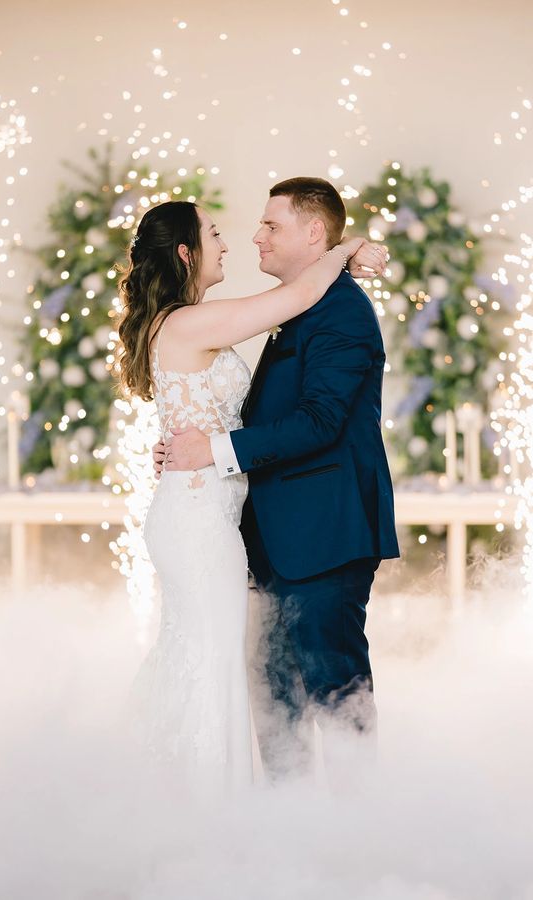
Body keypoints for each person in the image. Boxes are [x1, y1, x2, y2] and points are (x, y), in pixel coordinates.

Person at [117, 196, 384, 791]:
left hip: (225, 517)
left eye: (269, 224)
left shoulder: (198, 320)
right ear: (187, 254)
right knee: (215, 666)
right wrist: (348, 249)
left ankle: (312, 816)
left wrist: (205, 448)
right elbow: (291, 298)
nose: (238, 240)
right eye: (215, 234)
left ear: (309, 233)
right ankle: (207, 805)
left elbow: (298, 416)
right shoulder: (189, 322)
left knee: (221, 665)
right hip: (203, 522)